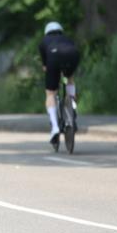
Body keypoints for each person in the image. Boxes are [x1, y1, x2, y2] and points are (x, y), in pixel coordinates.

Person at [39, 21, 81, 149]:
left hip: (53, 56)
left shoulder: (43, 41)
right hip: (73, 55)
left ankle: (55, 128)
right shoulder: (67, 38)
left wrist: (51, 71)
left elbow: (46, 66)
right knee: (70, 78)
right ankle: (72, 104)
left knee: (50, 93)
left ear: (47, 32)